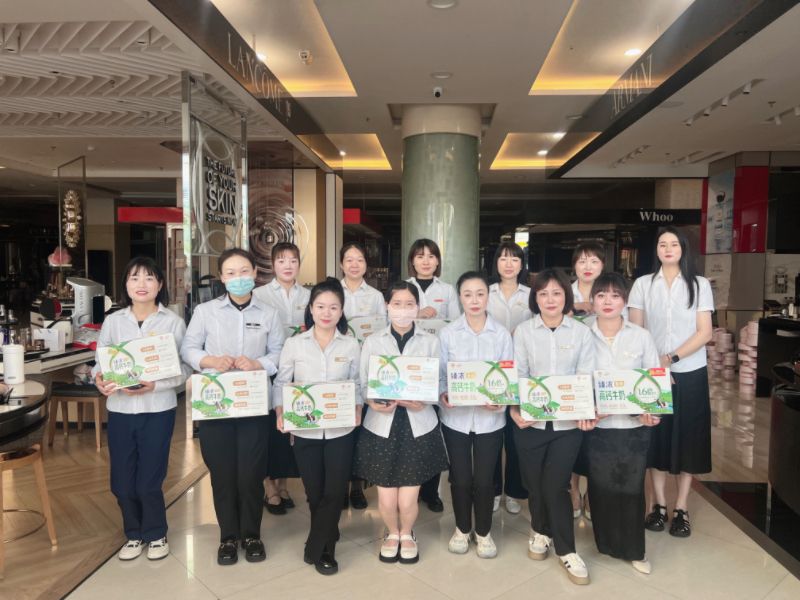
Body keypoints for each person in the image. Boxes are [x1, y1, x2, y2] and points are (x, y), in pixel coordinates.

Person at [181, 248, 285, 565]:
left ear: (254, 273)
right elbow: (188, 348)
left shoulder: (269, 314)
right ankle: (228, 536)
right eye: (230, 272)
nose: (238, 278)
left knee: (251, 473)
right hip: (216, 405)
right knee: (223, 473)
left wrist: (258, 363)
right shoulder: (206, 311)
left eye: (243, 271)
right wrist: (210, 360)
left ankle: (251, 534)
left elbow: (279, 352)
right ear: (222, 277)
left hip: (254, 404)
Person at [94, 257, 188, 562]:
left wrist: (156, 385)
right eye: (134, 278)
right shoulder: (113, 321)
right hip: (120, 409)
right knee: (122, 481)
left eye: (149, 278)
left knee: (149, 478)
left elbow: (184, 369)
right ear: (126, 285)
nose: (142, 284)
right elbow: (100, 362)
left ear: (160, 285)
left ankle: (156, 533)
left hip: (158, 409)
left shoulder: (173, 322)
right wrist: (99, 378)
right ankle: (133, 534)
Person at [509, 268, 594, 586]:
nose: (550, 299)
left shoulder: (581, 333)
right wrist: (515, 410)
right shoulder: (523, 332)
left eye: (557, 293)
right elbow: (519, 374)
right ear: (535, 298)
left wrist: (584, 408)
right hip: (530, 421)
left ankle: (566, 549)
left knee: (557, 485)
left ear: (566, 297)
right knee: (534, 483)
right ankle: (540, 530)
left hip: (567, 425)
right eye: (543, 293)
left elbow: (585, 375)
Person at [353, 281, 448, 564]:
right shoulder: (373, 341)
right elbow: (363, 383)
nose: (403, 310)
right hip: (381, 425)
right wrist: (371, 401)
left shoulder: (430, 341)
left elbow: (440, 380)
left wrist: (426, 400)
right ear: (387, 306)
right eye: (397, 304)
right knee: (386, 497)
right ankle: (391, 533)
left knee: (408, 498)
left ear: (418, 307)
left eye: (409, 304)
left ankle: (407, 533)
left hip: (418, 425)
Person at [628, 226, 714, 538]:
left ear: (683, 249)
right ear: (656, 249)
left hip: (690, 370)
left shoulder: (699, 284)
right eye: (662, 244)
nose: (667, 249)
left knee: (689, 437)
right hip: (653, 374)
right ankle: (659, 505)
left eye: (673, 244)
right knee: (657, 436)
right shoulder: (642, 284)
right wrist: (656, 365)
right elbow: (636, 331)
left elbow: (705, 332)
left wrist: (671, 358)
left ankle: (682, 507)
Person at [275, 278, 362, 576]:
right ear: (311, 309)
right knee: (314, 491)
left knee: (335, 491)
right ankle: (327, 532)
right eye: (321, 306)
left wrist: (358, 407)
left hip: (341, 431)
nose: (327, 313)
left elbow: (357, 383)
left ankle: (321, 547)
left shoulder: (351, 344)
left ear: (341, 311)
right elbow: (282, 382)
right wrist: (280, 411)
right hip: (305, 430)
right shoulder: (294, 344)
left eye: (333, 307)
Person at [583, 272, 662, 574]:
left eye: (615, 295)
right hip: (597, 427)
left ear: (625, 301)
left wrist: (651, 411)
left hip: (634, 427)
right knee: (601, 487)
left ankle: (634, 550)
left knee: (631, 489)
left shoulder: (641, 336)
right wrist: (587, 408)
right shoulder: (582, 334)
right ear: (592, 301)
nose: (608, 301)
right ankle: (605, 544)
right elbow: (576, 378)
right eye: (601, 295)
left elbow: (653, 379)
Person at [439, 271, 511, 559]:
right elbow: (441, 374)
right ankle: (461, 528)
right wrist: (444, 394)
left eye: (480, 294)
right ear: (460, 298)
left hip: (490, 421)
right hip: (455, 420)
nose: (474, 300)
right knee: (460, 479)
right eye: (467, 294)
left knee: (484, 480)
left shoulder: (501, 334)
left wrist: (501, 400)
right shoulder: (448, 333)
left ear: (488, 296)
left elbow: (508, 375)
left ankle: (483, 532)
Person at [253, 242, 310, 515]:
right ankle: (269, 487)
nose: (288, 266)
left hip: (299, 368)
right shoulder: (259, 295)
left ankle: (284, 485)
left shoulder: (309, 295)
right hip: (269, 366)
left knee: (290, 428)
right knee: (267, 429)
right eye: (282, 261)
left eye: (293, 261)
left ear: (299, 264)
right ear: (272, 264)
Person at [406, 238, 459, 511]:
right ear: (412, 261)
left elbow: (455, 325)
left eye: (431, 256)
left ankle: (431, 491)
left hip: (438, 364)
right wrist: (416, 314)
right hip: (410, 365)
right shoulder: (404, 288)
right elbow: (393, 319)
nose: (425, 261)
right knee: (412, 431)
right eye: (420, 256)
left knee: (433, 431)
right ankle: (411, 488)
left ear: (438, 261)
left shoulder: (447, 290)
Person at [340, 241, 386, 510]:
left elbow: (383, 331)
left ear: (366, 265)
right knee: (342, 426)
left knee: (361, 429)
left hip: (367, 365)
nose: (354, 264)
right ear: (341, 264)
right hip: (340, 366)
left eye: (359, 259)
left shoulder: (376, 296)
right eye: (349, 259)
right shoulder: (334, 291)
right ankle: (340, 486)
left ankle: (358, 486)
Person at [486, 241, 530, 516]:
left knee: (516, 437)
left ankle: (514, 491)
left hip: (522, 372)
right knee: (493, 434)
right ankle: (493, 490)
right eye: (503, 258)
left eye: (514, 258)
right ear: (496, 263)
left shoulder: (531, 294)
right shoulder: (486, 292)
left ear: (521, 264)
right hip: (492, 373)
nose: (509, 264)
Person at [568, 241, 607, 519]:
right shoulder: (564, 292)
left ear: (602, 265)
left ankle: (593, 493)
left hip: (602, 374)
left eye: (593, 261)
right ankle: (572, 491)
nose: (588, 266)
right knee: (572, 436)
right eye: (582, 261)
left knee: (597, 439)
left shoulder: (609, 293)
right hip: (570, 373)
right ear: (574, 266)